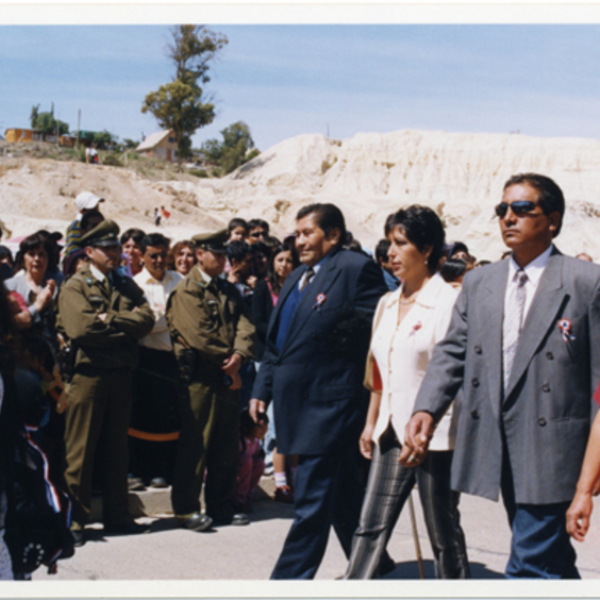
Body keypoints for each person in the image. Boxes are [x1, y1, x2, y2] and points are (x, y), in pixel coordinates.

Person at [402, 173, 600, 579]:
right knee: (549, 561)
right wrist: (427, 407)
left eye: (523, 209)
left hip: (556, 450)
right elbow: (453, 352)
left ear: (553, 221)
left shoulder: (586, 282)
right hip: (496, 442)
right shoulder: (480, 282)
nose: (509, 217)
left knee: (527, 564)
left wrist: (588, 481)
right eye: (503, 209)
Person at [250, 203, 388, 579]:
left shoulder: (355, 269)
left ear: (334, 235)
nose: (299, 240)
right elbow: (277, 344)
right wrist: (261, 389)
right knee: (341, 495)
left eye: (308, 232)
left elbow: (375, 336)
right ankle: (374, 563)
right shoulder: (297, 278)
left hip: (332, 406)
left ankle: (289, 580)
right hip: (297, 405)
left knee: (311, 502)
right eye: (296, 233)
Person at [343, 205, 469, 579]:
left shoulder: (450, 302)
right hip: (389, 433)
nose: (391, 253)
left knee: (443, 533)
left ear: (427, 248)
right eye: (389, 243)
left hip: (436, 437)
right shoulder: (386, 303)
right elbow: (381, 372)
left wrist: (429, 425)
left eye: (401, 243)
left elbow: (454, 373)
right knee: (369, 527)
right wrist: (371, 423)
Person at [56, 220, 155, 547]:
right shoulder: (76, 286)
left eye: (116, 248)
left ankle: (117, 514)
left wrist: (110, 320)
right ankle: (75, 520)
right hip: (89, 376)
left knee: (117, 449)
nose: (115, 253)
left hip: (121, 375)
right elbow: (82, 330)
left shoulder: (125, 285)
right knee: (81, 451)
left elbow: (147, 320)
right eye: (108, 249)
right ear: (89, 252)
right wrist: (123, 330)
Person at [166, 230, 255, 532]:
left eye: (224, 255)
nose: (222, 260)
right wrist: (230, 363)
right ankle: (187, 508)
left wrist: (240, 354)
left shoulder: (228, 290)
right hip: (200, 376)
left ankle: (221, 506)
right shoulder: (186, 291)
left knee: (225, 444)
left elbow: (245, 324)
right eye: (216, 254)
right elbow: (199, 336)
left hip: (227, 374)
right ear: (200, 253)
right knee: (196, 443)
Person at [130, 233, 182, 488]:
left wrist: (159, 318)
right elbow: (142, 325)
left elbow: (182, 317)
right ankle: (144, 470)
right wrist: (168, 318)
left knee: (171, 418)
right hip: (147, 359)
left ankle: (165, 470)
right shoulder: (135, 285)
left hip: (175, 358)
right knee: (145, 418)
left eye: (163, 254)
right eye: (153, 255)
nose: (159, 260)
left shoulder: (179, 281)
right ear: (142, 257)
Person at [252, 243, 300, 502]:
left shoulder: (297, 288)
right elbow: (258, 321)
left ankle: (291, 476)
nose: (284, 265)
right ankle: (274, 467)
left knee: (289, 420)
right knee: (273, 416)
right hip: (268, 357)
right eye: (280, 260)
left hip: (291, 357)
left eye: (289, 260)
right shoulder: (263, 287)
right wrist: (281, 331)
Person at [235, 409, 268, 512]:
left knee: (260, 464)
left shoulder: (256, 442)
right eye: (259, 426)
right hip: (235, 475)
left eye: (265, 425)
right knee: (247, 460)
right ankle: (239, 500)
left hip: (245, 473)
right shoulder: (240, 442)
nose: (264, 429)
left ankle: (247, 496)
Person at [64, 191, 105, 257]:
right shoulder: (76, 225)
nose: (95, 210)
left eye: (96, 207)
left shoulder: (100, 221)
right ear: (81, 211)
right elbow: (73, 249)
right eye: (92, 208)